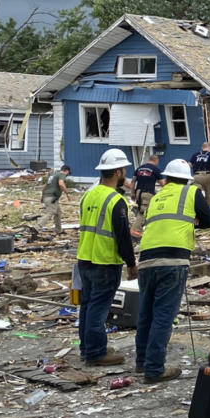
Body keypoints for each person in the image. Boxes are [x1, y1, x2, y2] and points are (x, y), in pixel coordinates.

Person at [135, 158, 210, 383]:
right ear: (187, 179)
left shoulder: (158, 196)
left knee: (146, 314)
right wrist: (195, 220)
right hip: (173, 260)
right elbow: (208, 219)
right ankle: (154, 369)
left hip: (147, 259)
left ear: (166, 178)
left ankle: (142, 362)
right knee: (163, 316)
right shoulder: (191, 193)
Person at [76, 148, 137, 366]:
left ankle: (87, 347)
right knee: (98, 310)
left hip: (85, 259)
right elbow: (122, 237)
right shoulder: (115, 200)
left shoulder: (88, 195)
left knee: (87, 306)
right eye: (124, 171)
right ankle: (95, 353)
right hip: (105, 261)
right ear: (118, 171)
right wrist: (131, 263)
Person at [40, 163, 70, 232]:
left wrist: (42, 197)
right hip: (51, 197)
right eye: (68, 173)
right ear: (66, 171)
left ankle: (58, 229)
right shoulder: (61, 174)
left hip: (48, 197)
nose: (67, 174)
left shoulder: (52, 176)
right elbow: (61, 184)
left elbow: (45, 186)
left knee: (58, 212)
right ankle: (37, 227)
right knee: (50, 212)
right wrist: (67, 194)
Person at [131, 154, 161, 225]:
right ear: (156, 160)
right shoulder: (155, 169)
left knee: (139, 210)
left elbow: (133, 181)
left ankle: (139, 226)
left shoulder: (139, 168)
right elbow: (162, 183)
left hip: (138, 193)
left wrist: (132, 193)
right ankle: (138, 230)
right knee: (144, 213)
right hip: (147, 193)